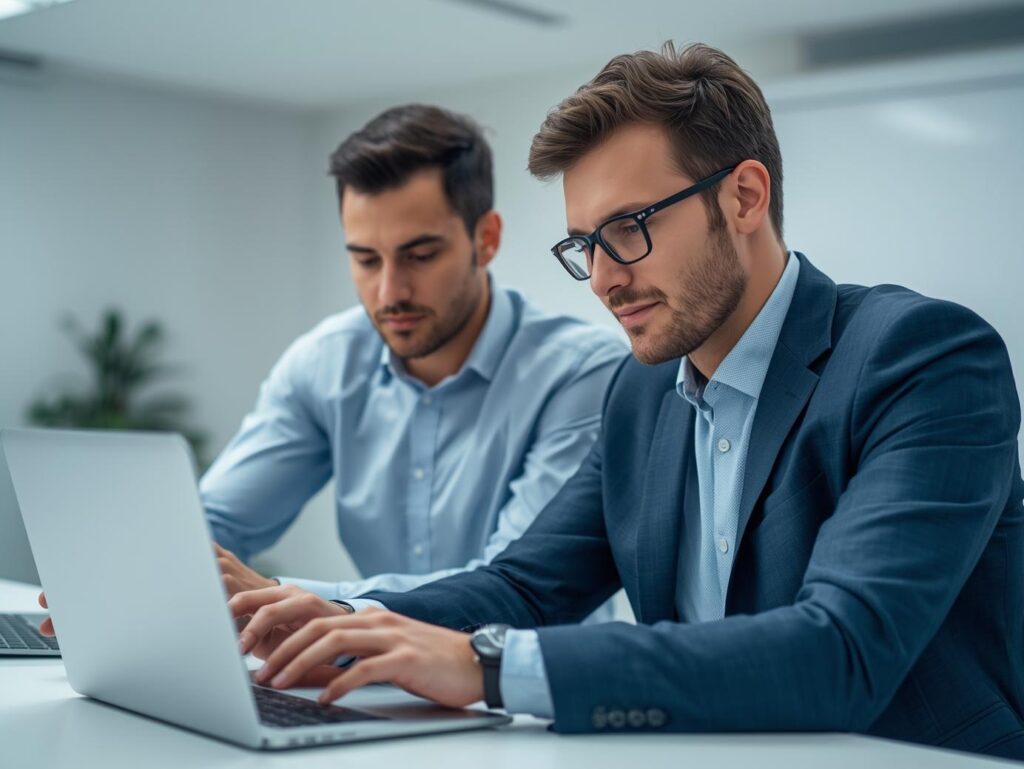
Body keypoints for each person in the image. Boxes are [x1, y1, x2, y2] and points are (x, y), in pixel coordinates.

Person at [220, 45, 1024, 759]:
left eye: (629, 228)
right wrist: (322, 612)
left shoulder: (922, 357)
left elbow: (841, 652)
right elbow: (526, 589)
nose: (603, 278)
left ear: (744, 196)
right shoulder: (643, 391)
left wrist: (490, 666)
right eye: (583, 244)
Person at [171, 104, 626, 609]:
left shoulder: (581, 373)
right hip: (368, 679)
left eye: (420, 255)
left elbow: (514, 587)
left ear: (486, 239)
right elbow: (213, 526)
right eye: (366, 259)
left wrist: (300, 601)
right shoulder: (326, 364)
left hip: (521, 679)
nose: (390, 292)